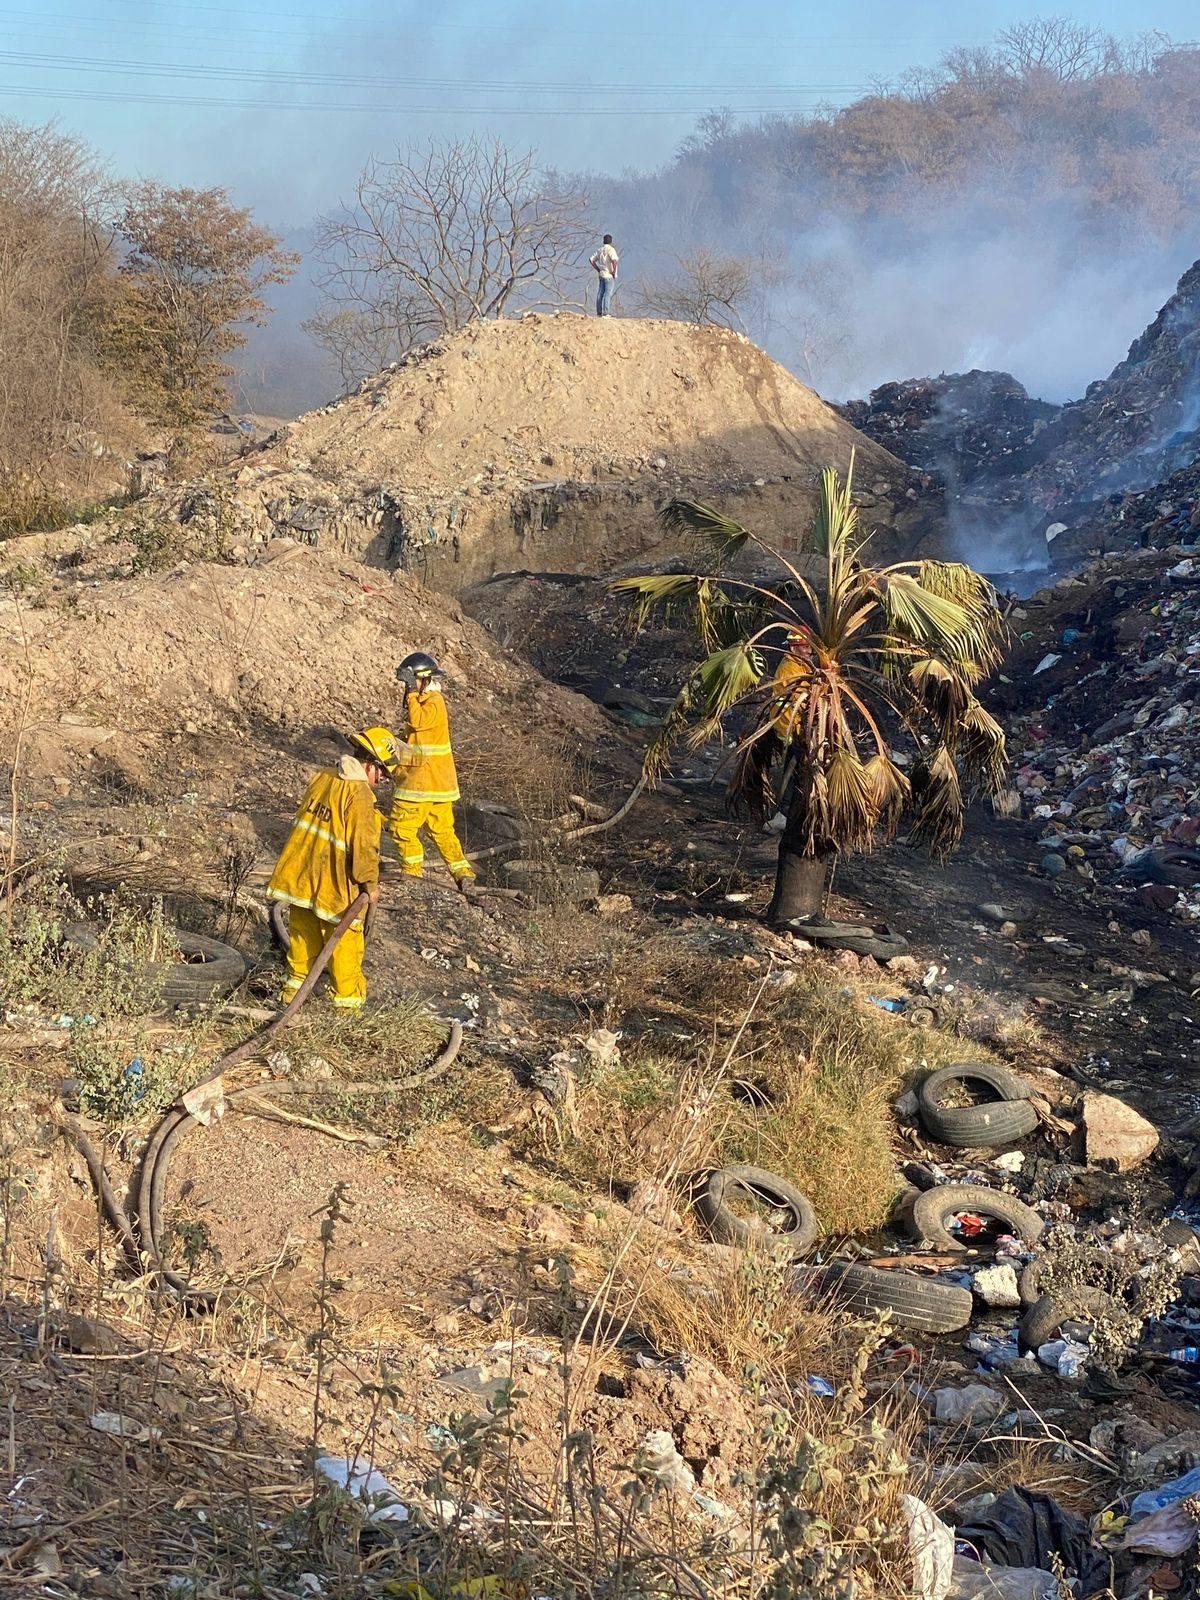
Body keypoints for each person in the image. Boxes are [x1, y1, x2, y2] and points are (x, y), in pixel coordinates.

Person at [267, 726, 399, 1012]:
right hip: (335, 885)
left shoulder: (324, 777)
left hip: (300, 874)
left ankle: (292, 998)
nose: (382, 782)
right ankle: (347, 1010)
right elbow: (363, 848)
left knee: (302, 935)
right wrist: (370, 886)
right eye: (383, 775)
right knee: (345, 944)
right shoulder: (360, 795)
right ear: (371, 764)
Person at [389, 652, 476, 891]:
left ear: (422, 679)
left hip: (421, 783)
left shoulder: (432, 701)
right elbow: (417, 736)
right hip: (436, 783)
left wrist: (411, 691)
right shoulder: (427, 700)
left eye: (410, 681)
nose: (407, 688)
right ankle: (462, 873)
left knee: (401, 827)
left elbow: (418, 722)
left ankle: (412, 873)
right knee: (442, 831)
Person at [590, 234, 619, 316]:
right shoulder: (611, 250)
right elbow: (614, 260)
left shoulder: (600, 250)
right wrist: (613, 271)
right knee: (608, 294)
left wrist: (598, 269)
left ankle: (599, 312)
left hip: (601, 274)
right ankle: (606, 313)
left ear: (603, 241)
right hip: (609, 275)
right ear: (611, 241)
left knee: (600, 293)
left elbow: (591, 259)